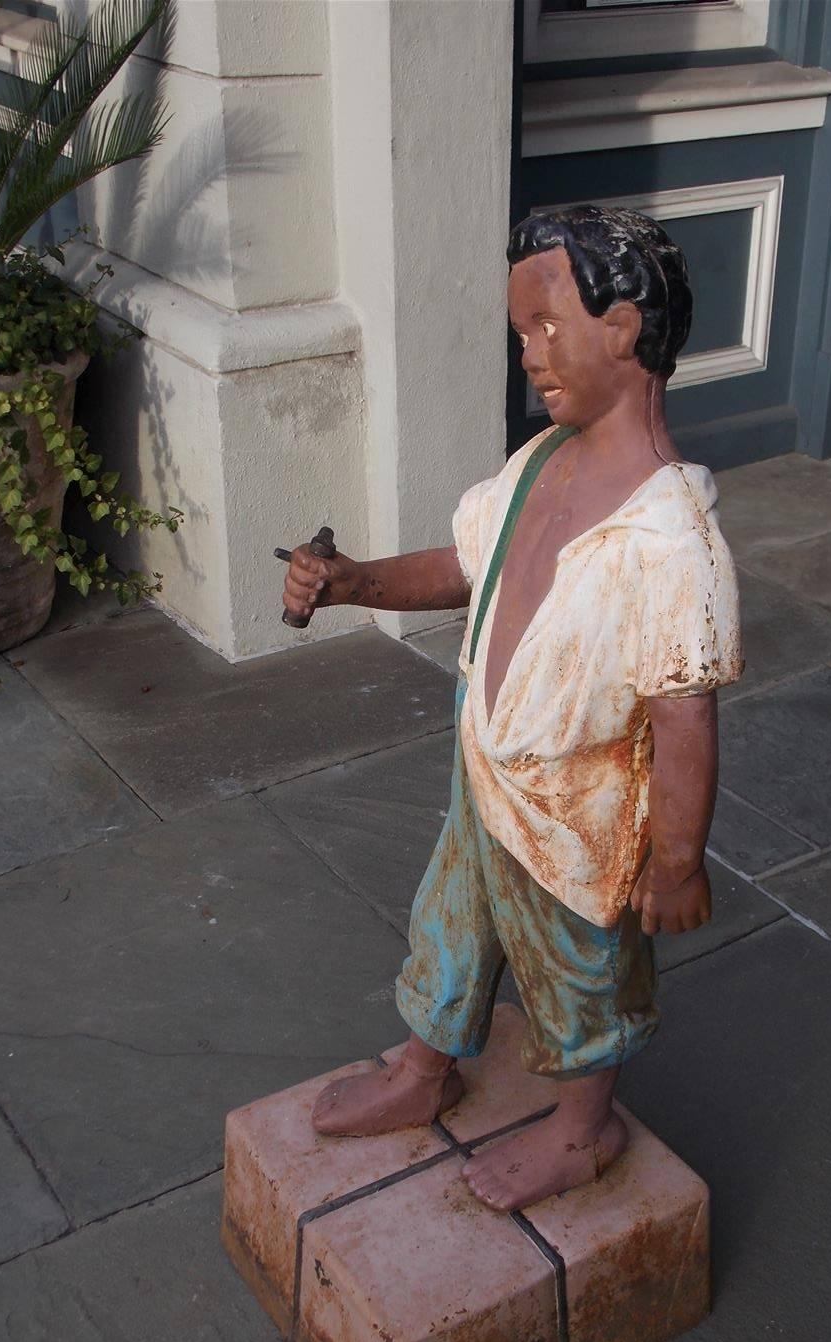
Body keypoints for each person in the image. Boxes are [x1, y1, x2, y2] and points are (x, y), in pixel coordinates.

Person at [282, 205, 743, 1213]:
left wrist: (675, 860)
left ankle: (584, 1130)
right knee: (451, 923)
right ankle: (422, 1067)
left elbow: (685, 718)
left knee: (579, 970)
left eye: (546, 326)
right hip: (485, 772)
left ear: (623, 326)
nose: (530, 354)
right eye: (521, 331)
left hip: (576, 814)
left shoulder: (672, 543)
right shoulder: (539, 461)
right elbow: (466, 564)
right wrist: (357, 579)